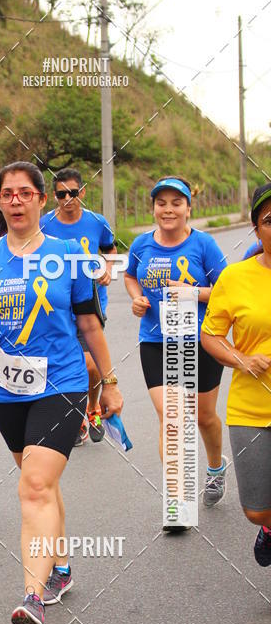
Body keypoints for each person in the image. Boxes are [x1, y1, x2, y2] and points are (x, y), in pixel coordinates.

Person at [0, 161, 123, 624]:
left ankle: (33, 596)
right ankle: (61, 566)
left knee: (34, 487)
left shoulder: (68, 254)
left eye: (26, 193)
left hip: (62, 383)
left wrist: (108, 382)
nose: (17, 201)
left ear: (42, 201)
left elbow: (89, 324)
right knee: (39, 481)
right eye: (8, 194)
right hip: (5, 390)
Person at [124, 176, 228, 527]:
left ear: (188, 208)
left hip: (202, 342)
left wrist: (193, 292)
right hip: (157, 342)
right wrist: (137, 298)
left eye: (176, 203)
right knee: (172, 418)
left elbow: (226, 291)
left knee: (203, 417)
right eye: (161, 203)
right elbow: (130, 275)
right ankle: (178, 503)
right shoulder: (141, 244)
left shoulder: (204, 245)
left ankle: (215, 465)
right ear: (153, 208)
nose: (168, 210)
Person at [201, 183, 271, 566]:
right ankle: (267, 527)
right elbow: (211, 335)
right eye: (270, 220)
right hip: (251, 408)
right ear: (257, 229)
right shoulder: (236, 278)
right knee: (257, 510)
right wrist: (241, 359)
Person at [41, 168, 117, 444]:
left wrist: (107, 269)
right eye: (61, 194)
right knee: (60, 363)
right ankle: (75, 416)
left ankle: (93, 407)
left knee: (90, 365)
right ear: (53, 197)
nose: (68, 199)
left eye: (73, 193)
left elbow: (109, 249)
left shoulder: (98, 222)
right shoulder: (45, 224)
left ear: (82, 193)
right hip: (54, 304)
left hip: (90, 303)